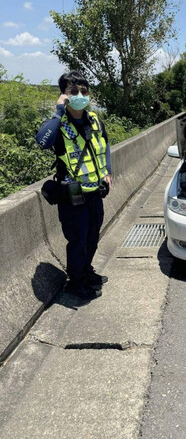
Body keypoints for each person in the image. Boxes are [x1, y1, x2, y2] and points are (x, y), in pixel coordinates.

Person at [36, 71, 112, 300]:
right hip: (73, 195)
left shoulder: (95, 119)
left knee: (92, 237)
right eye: (73, 91)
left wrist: (107, 171)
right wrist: (59, 111)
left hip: (95, 192)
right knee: (78, 240)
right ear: (64, 95)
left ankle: (86, 271)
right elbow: (42, 141)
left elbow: (105, 145)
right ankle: (76, 281)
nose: (80, 95)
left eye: (84, 91)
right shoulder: (58, 124)